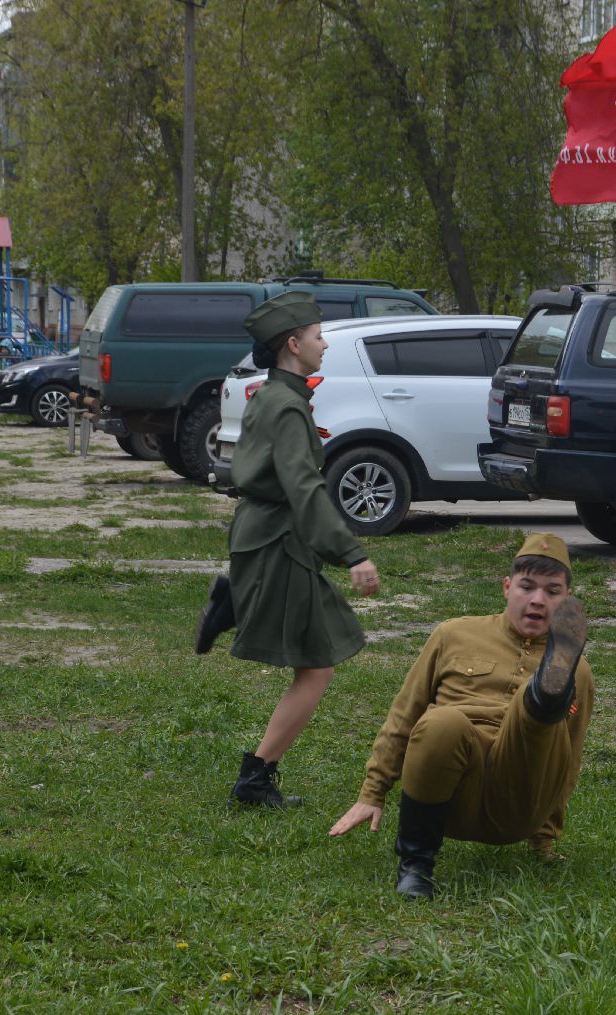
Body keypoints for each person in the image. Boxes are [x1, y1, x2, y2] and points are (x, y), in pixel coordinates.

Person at [193, 291, 381, 808]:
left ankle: (234, 603)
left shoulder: (273, 396)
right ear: (294, 345)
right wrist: (352, 554)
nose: (324, 344)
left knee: (319, 657)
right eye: (319, 337)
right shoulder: (288, 406)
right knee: (317, 666)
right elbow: (303, 486)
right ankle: (254, 780)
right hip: (277, 540)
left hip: (268, 538)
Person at [329, 533, 592, 899]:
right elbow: (405, 714)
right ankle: (415, 867)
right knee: (442, 721)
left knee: (531, 715)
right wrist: (372, 792)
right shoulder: (453, 634)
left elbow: (569, 756)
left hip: (520, 798)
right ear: (506, 587)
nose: (537, 600)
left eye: (552, 592)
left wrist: (544, 838)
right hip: (449, 794)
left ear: (566, 601)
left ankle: (544, 696)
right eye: (527, 587)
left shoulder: (579, 672)